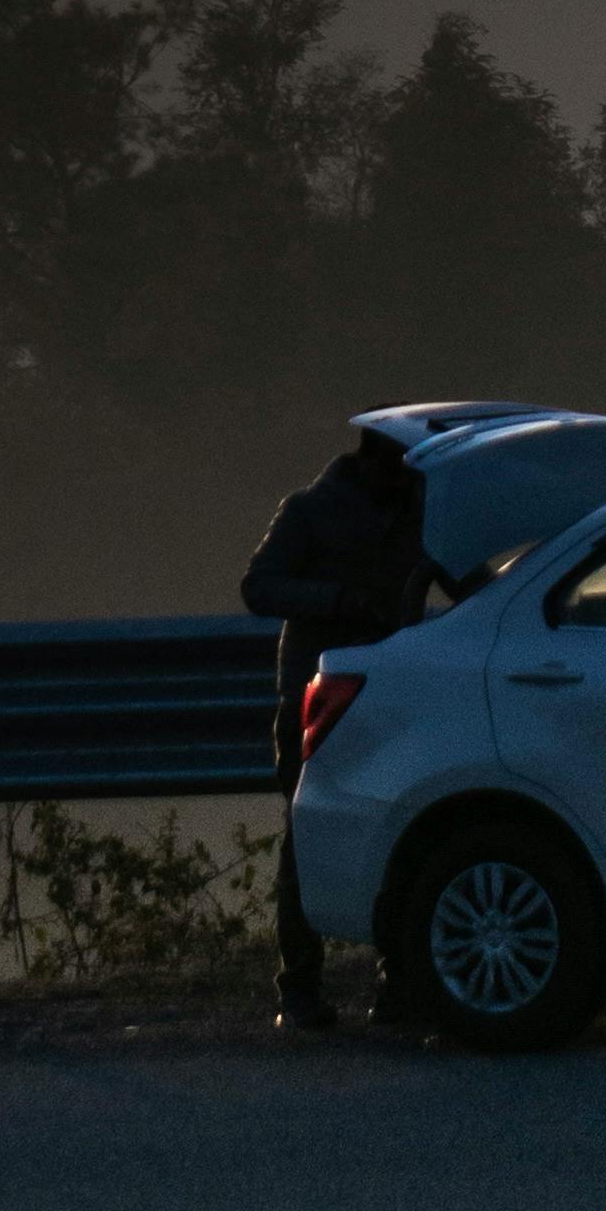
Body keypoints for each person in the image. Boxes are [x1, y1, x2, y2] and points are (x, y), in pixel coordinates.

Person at [242, 426, 440, 1030]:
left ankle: (398, 985)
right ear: (374, 462)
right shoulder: (308, 512)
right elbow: (260, 586)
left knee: (405, 834)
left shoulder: (415, 513)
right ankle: (300, 989)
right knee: (306, 842)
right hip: (318, 699)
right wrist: (337, 600)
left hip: (390, 698)